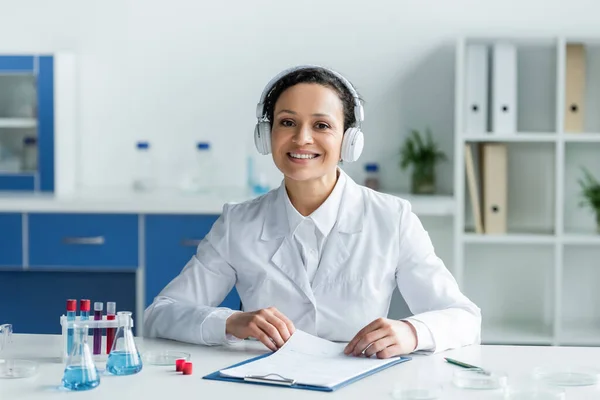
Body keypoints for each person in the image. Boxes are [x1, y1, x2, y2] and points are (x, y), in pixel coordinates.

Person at [144, 65, 481, 358]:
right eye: (287, 122)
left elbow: (464, 317)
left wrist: (411, 332)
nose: (302, 139)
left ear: (349, 141)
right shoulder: (239, 223)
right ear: (267, 135)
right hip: (267, 383)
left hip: (358, 382)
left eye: (321, 125)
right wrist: (231, 322)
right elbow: (160, 315)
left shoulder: (392, 218)